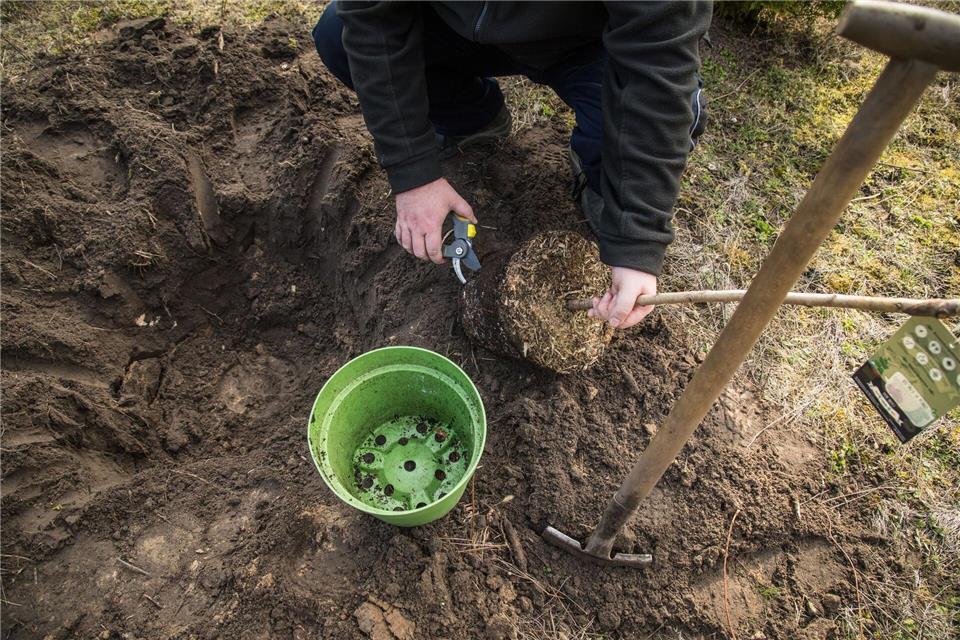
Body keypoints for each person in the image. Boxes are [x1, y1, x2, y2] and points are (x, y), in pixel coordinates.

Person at [313, 2, 711, 329]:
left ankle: (600, 169)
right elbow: (372, 20)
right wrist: (413, 174)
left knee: (681, 111)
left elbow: (659, 71)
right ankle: (471, 117)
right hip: (456, 21)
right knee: (339, 36)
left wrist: (637, 239)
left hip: (589, 38)